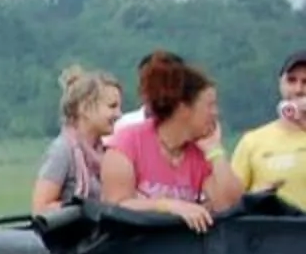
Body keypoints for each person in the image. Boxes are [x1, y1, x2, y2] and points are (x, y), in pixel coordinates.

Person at [102, 51, 246, 231]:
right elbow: (115, 205)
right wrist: (169, 206)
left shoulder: (200, 152)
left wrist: (215, 150)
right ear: (183, 108)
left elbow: (229, 205)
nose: (215, 113)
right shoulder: (127, 143)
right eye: (210, 105)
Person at [30, 67, 122, 214]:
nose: (119, 114)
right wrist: (81, 210)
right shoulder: (63, 150)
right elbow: (40, 208)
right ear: (85, 108)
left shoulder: (107, 152)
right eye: (112, 107)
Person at [227, 47, 306, 210]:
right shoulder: (252, 141)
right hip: (270, 232)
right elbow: (230, 201)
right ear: (280, 84)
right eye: (291, 81)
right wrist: (255, 197)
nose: (298, 90)